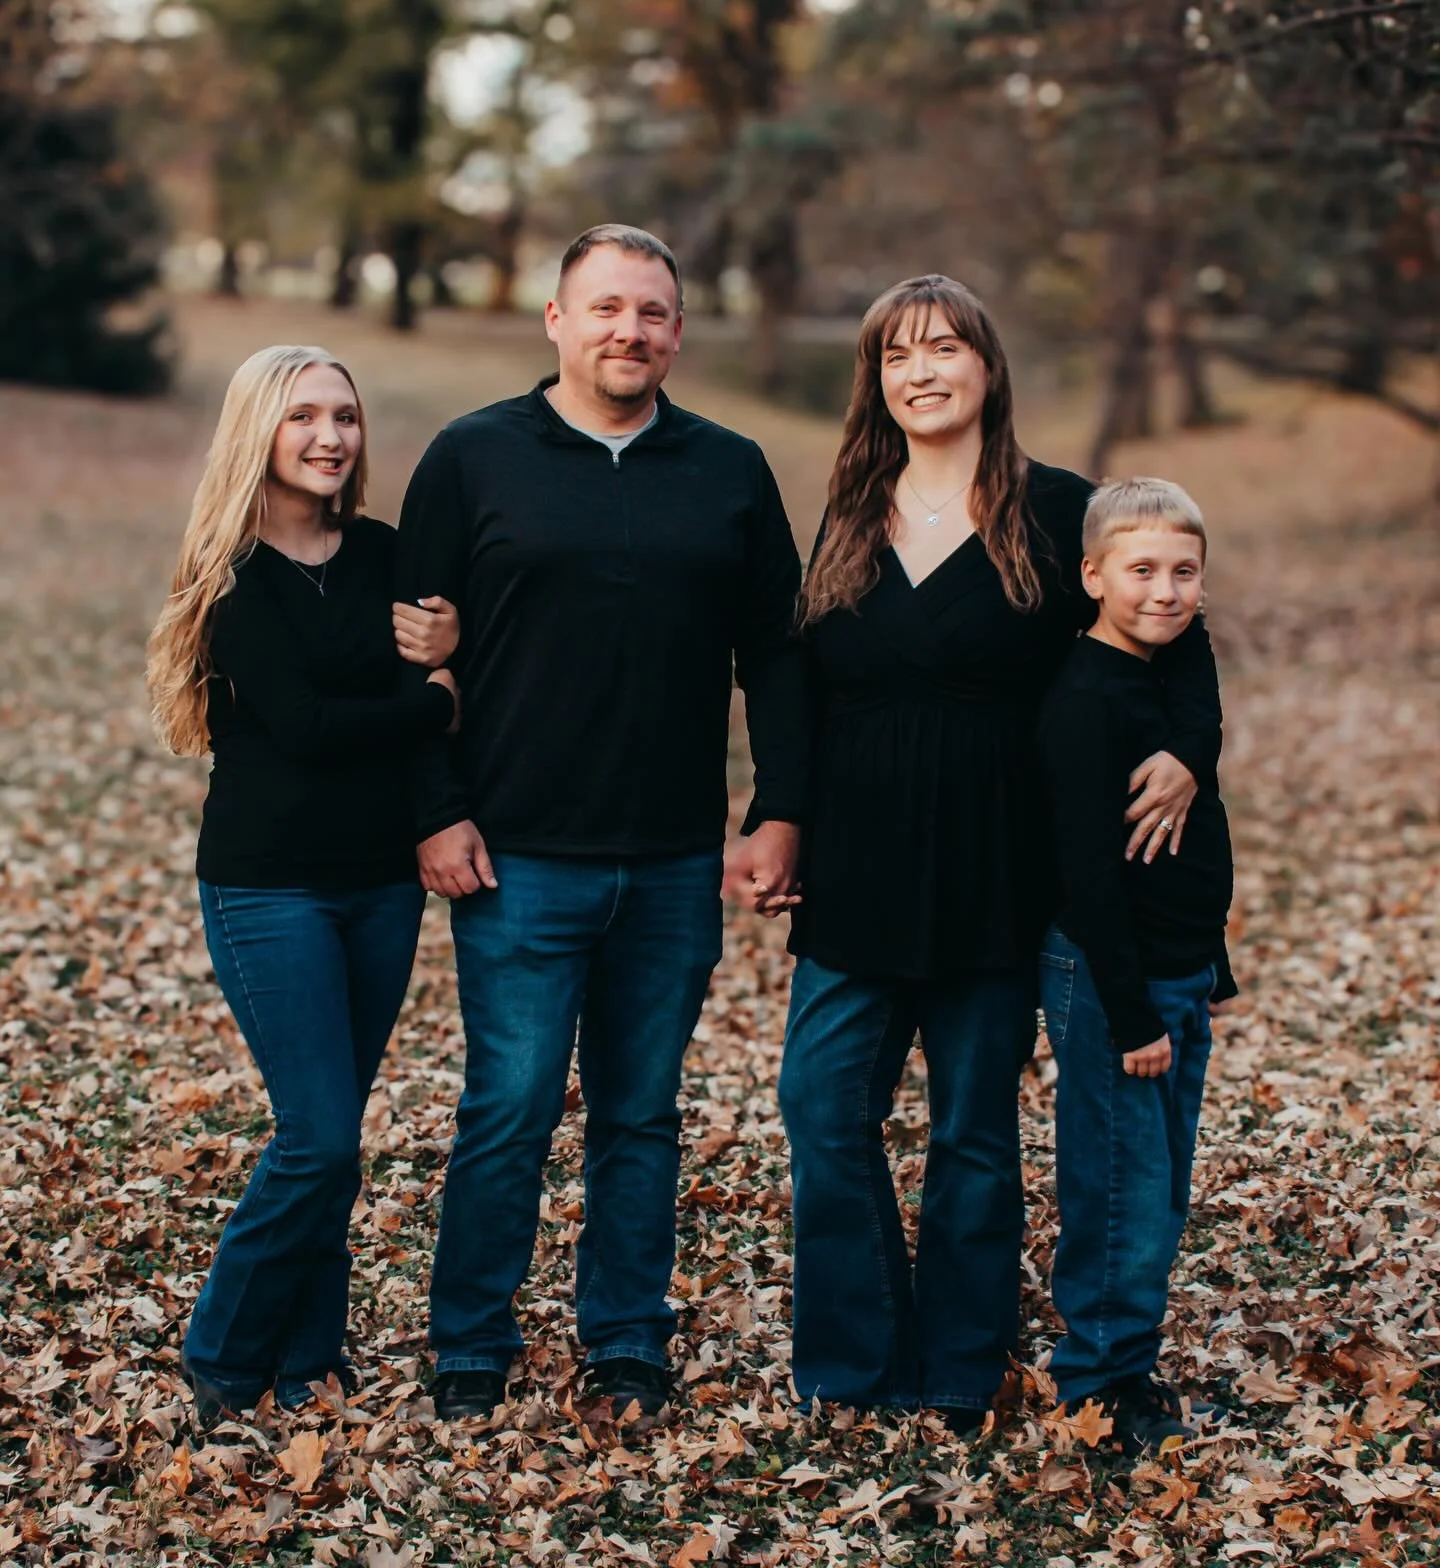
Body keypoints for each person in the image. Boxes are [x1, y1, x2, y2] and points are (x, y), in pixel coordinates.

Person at [775, 275, 1223, 1430]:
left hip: (998, 868)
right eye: (897, 355)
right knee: (822, 1107)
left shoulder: (1058, 508)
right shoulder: (849, 512)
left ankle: (960, 1365)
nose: (921, 371)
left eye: (945, 348)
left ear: (987, 366)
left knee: (972, 1129)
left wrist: (1191, 749)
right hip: (858, 868)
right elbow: (805, 687)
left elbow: (1173, 625)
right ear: (876, 380)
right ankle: (853, 1359)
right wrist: (784, 818)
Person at [393, 225, 809, 1423]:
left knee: (641, 1113)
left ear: (678, 331)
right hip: (517, 855)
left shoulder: (729, 469)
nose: (631, 329)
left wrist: (780, 806)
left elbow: (779, 654)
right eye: (608, 307)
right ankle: (471, 1336)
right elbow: (407, 652)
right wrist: (435, 809)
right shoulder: (472, 456)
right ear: (558, 320)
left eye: (653, 312)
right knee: (509, 1109)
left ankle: (626, 1333)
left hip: (674, 860)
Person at [146, 344, 461, 1421]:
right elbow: (310, 728)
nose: (331, 437)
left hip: (381, 886)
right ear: (259, 433)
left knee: (334, 1137)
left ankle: (309, 1357)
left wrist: (452, 650)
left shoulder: (383, 552)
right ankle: (224, 1349)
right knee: (318, 1136)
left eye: (345, 416)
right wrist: (435, 702)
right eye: (304, 417)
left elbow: (437, 656)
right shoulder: (230, 575)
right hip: (269, 888)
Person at [1037, 477, 1236, 1453]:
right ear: (1092, 575)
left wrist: (1207, 969)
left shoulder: (1169, 673)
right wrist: (1131, 1015)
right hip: (1117, 985)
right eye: (1143, 570)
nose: (1166, 591)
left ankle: (1129, 1366)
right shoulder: (1083, 700)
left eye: (1184, 572)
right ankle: (1101, 1383)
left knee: (1160, 1185)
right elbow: (1086, 879)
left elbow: (1186, 843)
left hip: (1177, 973)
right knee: (1121, 1186)